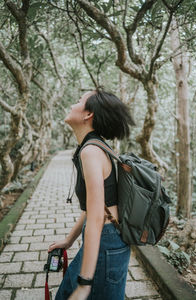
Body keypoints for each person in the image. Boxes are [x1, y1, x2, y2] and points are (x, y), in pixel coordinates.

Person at [48, 88, 135, 300]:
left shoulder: (91, 151)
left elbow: (97, 217)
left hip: (107, 241)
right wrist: (69, 241)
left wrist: (85, 284)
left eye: (78, 101)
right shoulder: (93, 146)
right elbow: (94, 207)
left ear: (88, 114)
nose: (71, 105)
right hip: (107, 238)